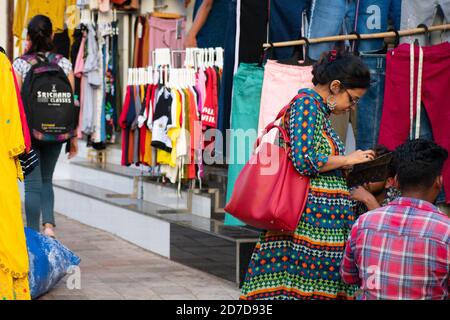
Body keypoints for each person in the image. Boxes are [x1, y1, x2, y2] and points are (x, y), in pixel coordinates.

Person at [240, 50, 374, 300]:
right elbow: (305, 160)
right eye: (352, 99)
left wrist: (344, 164)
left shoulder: (318, 111)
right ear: (335, 86)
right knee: (305, 288)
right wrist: (348, 158)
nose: (351, 107)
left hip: (316, 224)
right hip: (309, 223)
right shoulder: (307, 105)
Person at [341, 139, 450, 300]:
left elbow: (348, 276)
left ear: (396, 182)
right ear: (438, 182)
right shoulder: (446, 231)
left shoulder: (364, 223)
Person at [13, 15, 78, 239]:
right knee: (47, 179)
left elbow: (16, 102)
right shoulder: (64, 63)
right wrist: (73, 137)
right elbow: (71, 102)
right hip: (57, 131)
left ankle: (32, 234)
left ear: (29, 37)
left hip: (30, 132)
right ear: (52, 35)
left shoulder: (20, 63)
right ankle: (49, 227)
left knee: (32, 185)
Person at [350, 145, 401, 218]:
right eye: (364, 172)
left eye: (373, 174)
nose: (366, 178)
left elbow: (388, 226)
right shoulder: (355, 194)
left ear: (388, 182)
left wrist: (368, 199)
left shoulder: (397, 202)